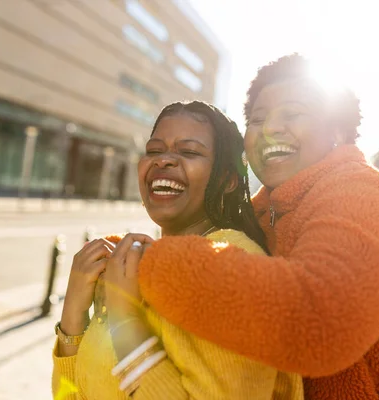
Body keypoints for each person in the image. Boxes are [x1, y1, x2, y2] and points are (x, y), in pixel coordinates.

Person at [119, 54, 379, 399]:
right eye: (257, 118)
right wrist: (115, 258)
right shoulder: (262, 212)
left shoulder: (363, 193)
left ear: (337, 130)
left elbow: (319, 322)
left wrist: (148, 264)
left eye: (293, 114)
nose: (270, 128)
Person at [52, 101, 304, 399]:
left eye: (189, 152)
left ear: (228, 180)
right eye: (155, 150)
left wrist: (124, 321)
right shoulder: (135, 268)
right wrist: (73, 318)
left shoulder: (232, 269)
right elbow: (76, 393)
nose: (164, 161)